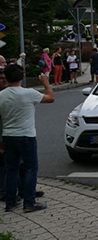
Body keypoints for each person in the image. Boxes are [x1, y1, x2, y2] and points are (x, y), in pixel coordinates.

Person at [1, 65, 53, 212]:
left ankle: (10, 202)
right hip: (26, 135)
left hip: (8, 136)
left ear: (6, 77)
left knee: (11, 169)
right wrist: (46, 83)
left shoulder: (1, 95)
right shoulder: (29, 93)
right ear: (22, 77)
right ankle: (29, 202)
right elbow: (50, 98)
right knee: (30, 168)